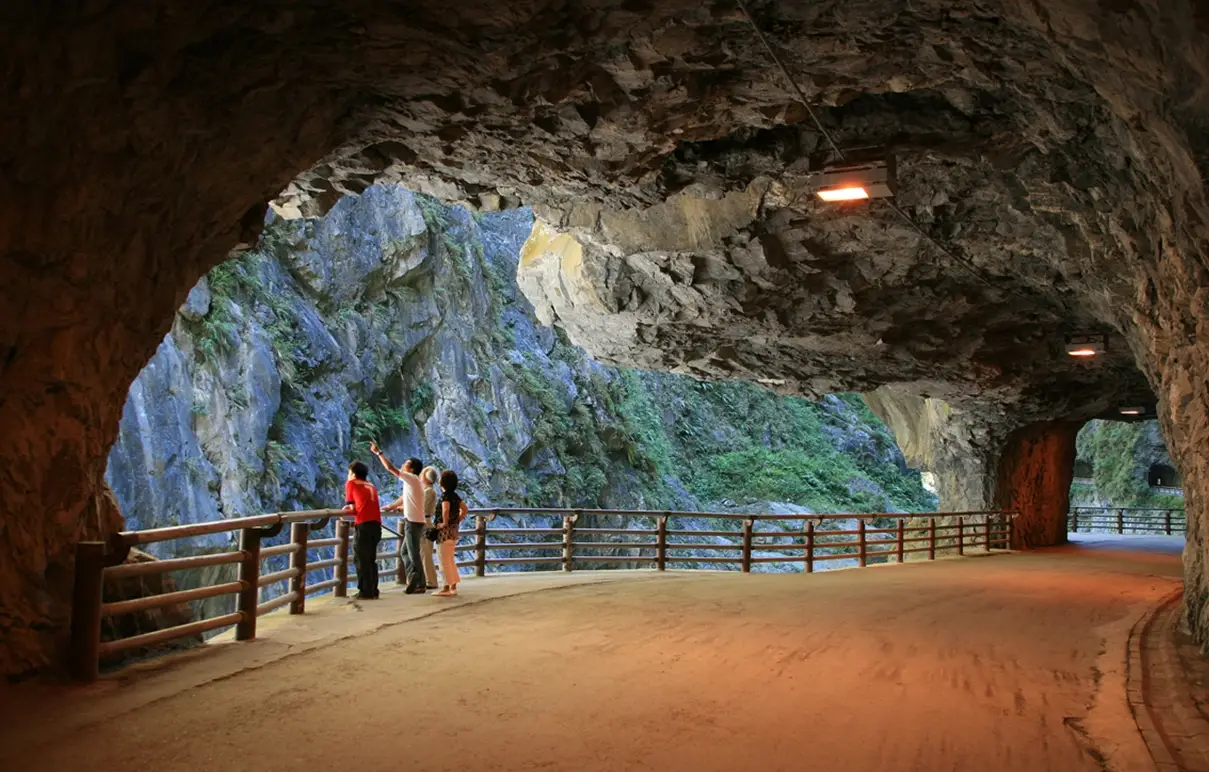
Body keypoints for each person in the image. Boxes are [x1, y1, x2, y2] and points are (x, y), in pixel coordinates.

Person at [369, 442, 427, 594]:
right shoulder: (413, 482)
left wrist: (378, 453)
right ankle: (414, 579)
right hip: (414, 520)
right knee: (406, 552)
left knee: (413, 553)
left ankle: (419, 582)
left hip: (413, 522)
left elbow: (390, 468)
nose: (402, 465)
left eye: (406, 464)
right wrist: (393, 506)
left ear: (412, 469)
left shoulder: (412, 479)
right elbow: (404, 497)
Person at [344, 461, 382, 600]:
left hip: (364, 523)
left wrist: (346, 510)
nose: (348, 476)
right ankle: (373, 589)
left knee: (360, 558)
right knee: (371, 558)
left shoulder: (351, 484)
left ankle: (365, 591)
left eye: (349, 473)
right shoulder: (371, 485)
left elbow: (352, 508)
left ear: (353, 474)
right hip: (376, 525)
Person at [434, 469, 468, 597]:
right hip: (454, 531)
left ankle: (446, 587)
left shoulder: (445, 496)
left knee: (443, 560)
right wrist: (458, 519)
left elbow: (445, 509)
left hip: (444, 532)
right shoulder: (455, 496)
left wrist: (444, 522)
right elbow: (465, 509)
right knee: (450, 558)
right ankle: (453, 584)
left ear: (442, 482)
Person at [420, 466, 440, 590]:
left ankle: (431, 581)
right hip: (426, 521)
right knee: (424, 553)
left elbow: (421, 507)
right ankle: (428, 579)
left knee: (425, 553)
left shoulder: (428, 491)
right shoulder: (429, 490)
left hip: (425, 522)